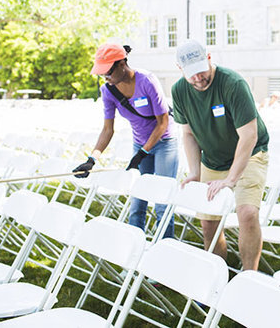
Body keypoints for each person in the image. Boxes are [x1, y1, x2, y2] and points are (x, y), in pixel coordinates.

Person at [171, 40, 269, 271]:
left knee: (247, 213)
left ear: (209, 58)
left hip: (250, 154)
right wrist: (195, 171)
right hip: (213, 160)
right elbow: (188, 134)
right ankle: (217, 273)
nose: (198, 78)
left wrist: (231, 179)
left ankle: (248, 275)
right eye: (191, 74)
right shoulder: (179, 90)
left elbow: (249, 136)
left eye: (201, 71)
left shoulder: (233, 84)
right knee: (208, 222)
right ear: (180, 69)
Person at [73, 43, 179, 238]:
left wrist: (143, 152)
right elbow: (107, 129)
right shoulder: (108, 91)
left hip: (164, 142)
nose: (105, 78)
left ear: (122, 63)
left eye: (108, 72)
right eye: (102, 74)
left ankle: (165, 250)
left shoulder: (147, 81)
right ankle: (133, 253)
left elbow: (162, 123)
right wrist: (91, 160)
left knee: (163, 202)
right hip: (140, 144)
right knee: (138, 202)